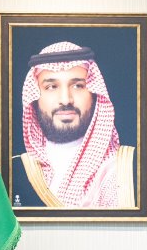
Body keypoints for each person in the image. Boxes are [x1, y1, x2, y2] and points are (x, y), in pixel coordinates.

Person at [12, 41, 136, 208]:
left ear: (94, 94)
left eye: (78, 86)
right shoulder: (13, 173)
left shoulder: (125, 169)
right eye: (51, 87)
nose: (65, 100)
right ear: (34, 97)